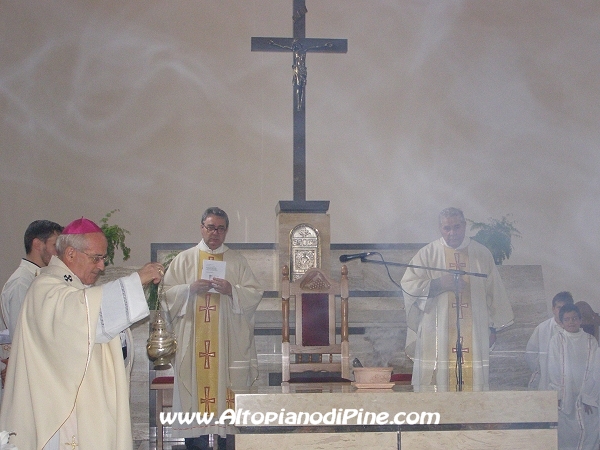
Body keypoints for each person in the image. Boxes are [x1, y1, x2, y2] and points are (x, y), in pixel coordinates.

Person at [0, 217, 165, 450]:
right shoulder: (45, 289)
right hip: (61, 414)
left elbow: (93, 322)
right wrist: (136, 280)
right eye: (96, 258)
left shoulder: (74, 289)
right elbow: (81, 315)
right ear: (70, 254)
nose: (101, 266)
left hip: (87, 406)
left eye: (103, 259)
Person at [164, 207, 263, 450]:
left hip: (226, 346)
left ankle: (226, 444)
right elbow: (165, 295)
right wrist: (189, 289)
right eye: (210, 227)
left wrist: (233, 291)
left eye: (220, 228)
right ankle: (194, 444)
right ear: (201, 228)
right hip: (193, 343)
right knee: (194, 404)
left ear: (226, 231)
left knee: (225, 411)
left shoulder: (237, 261)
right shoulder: (184, 259)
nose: (215, 233)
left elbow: (254, 293)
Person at [401, 207, 514, 391]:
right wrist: (438, 284)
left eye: (457, 227)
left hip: (474, 332)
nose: (452, 233)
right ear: (440, 228)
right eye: (447, 228)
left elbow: (495, 292)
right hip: (437, 331)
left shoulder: (481, 254)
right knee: (438, 385)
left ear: (464, 226)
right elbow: (408, 285)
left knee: (473, 384)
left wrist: (493, 327)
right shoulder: (427, 254)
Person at [1, 220, 63, 340]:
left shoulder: (45, 277)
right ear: (37, 244)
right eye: (55, 246)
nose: (59, 252)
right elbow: (22, 333)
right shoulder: (22, 282)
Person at [548, 303, 599, 450]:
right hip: (565, 395)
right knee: (567, 435)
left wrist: (589, 396)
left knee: (590, 431)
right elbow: (554, 369)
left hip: (588, 395)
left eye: (575, 318)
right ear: (562, 322)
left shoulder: (591, 341)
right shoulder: (557, 340)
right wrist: (558, 395)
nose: (571, 322)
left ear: (580, 320)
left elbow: (596, 369)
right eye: (567, 319)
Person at [525, 291, 575, 390]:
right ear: (553, 309)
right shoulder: (542, 328)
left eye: (566, 308)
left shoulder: (576, 328)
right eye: (559, 307)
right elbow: (531, 353)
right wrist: (541, 370)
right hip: (547, 379)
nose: (562, 311)